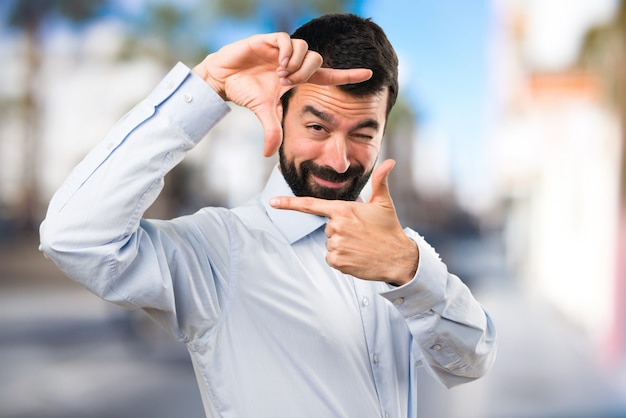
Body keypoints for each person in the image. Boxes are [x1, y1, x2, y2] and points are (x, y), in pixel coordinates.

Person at [40, 13, 496, 418]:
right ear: (280, 112)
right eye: (317, 127)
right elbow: (73, 238)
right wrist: (206, 87)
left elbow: (472, 360)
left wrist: (409, 270)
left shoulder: (399, 249)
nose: (339, 160)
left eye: (363, 133)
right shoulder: (219, 249)